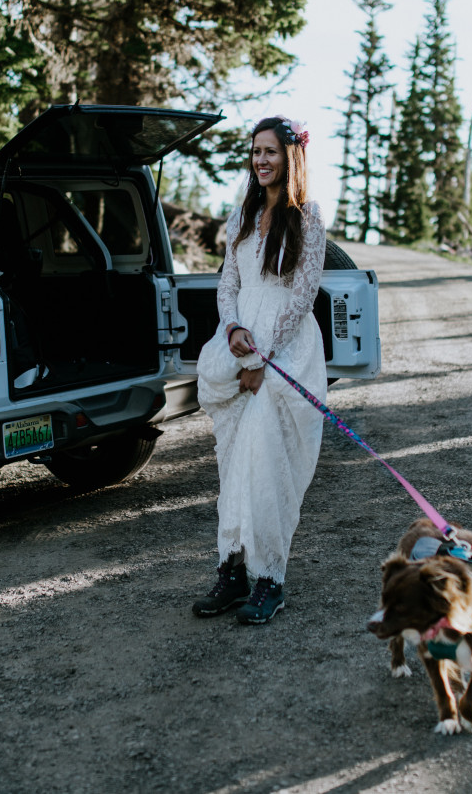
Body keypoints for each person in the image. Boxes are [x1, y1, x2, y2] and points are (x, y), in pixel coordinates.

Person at [192, 116, 326, 625]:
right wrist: (231, 333)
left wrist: (262, 360)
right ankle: (232, 570)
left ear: (290, 158)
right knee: (233, 465)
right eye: (256, 152)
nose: (261, 161)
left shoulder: (307, 219)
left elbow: (302, 296)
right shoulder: (241, 214)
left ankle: (271, 578)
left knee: (268, 464)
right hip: (241, 339)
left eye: (270, 152)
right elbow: (228, 284)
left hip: (285, 352)